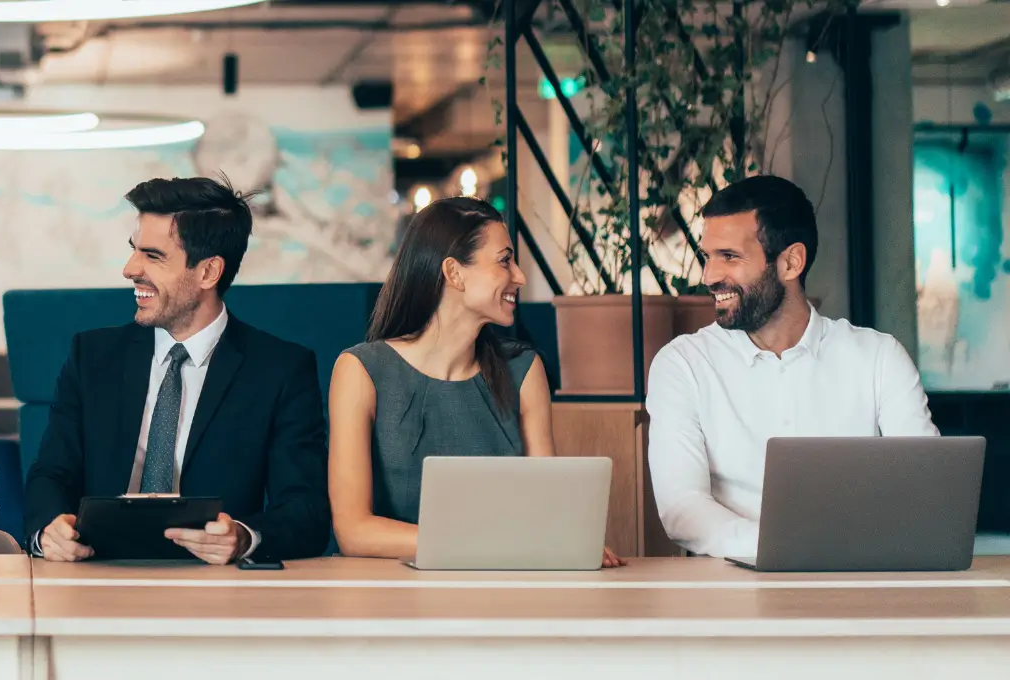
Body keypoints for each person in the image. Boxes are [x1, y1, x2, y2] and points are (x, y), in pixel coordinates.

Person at [24, 176, 330, 565]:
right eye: (134, 250)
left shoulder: (280, 369)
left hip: (215, 589)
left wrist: (244, 537)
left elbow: (306, 511)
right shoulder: (92, 355)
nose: (129, 269)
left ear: (207, 273)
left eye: (153, 256)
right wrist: (47, 533)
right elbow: (51, 474)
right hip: (95, 573)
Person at [649, 175, 939, 558]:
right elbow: (682, 509)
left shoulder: (879, 358)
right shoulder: (682, 365)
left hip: (863, 584)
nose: (709, 276)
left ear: (790, 262)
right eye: (708, 256)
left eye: (729, 257)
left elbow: (928, 487)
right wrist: (784, 547)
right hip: (732, 595)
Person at [328, 197, 621, 567]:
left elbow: (547, 513)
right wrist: (495, 543)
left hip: (505, 591)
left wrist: (567, 540)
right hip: (393, 596)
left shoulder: (524, 370)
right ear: (454, 273)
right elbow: (354, 531)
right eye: (505, 260)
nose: (520, 276)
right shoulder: (361, 370)